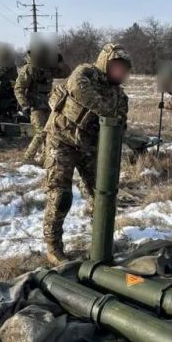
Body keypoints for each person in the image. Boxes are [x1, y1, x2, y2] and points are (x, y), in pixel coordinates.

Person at [42, 43, 130, 265]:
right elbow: (83, 93)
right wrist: (110, 114)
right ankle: (53, 248)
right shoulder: (84, 74)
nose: (121, 73)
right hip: (61, 140)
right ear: (105, 63)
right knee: (60, 196)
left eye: (124, 69)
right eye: (117, 66)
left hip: (90, 147)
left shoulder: (120, 97)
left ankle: (100, 243)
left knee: (102, 196)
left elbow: (119, 128)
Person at [15, 43, 71, 161]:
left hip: (48, 105)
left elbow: (65, 73)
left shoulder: (48, 68)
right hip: (35, 106)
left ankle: (45, 159)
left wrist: (60, 62)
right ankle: (27, 158)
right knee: (41, 133)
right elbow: (18, 89)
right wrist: (24, 105)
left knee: (50, 133)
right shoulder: (29, 69)